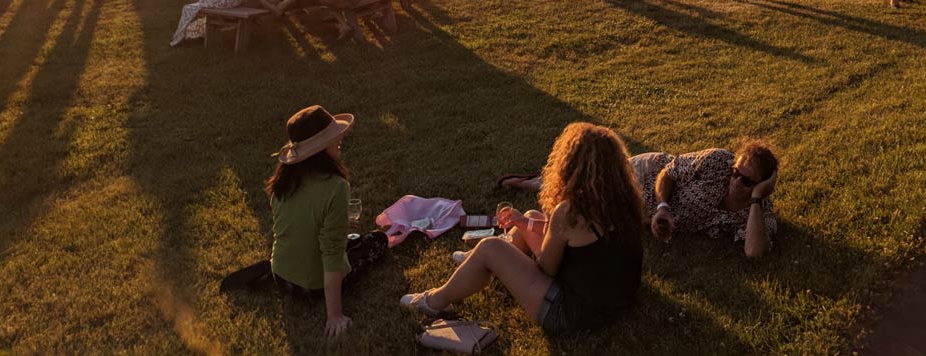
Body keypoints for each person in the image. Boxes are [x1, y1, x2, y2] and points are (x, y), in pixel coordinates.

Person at [401, 123, 644, 336]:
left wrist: (528, 232)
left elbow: (546, 268)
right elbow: (586, 249)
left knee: (490, 247)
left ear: (571, 165)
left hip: (571, 314)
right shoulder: (624, 202)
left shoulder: (570, 212)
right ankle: (474, 264)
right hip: (617, 298)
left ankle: (434, 301)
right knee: (532, 216)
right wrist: (527, 224)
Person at [500, 140, 778, 260]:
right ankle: (534, 180)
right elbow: (668, 173)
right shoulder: (717, 160)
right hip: (647, 174)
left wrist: (755, 199)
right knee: (572, 189)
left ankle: (516, 237)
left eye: (747, 180)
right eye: (734, 173)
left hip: (637, 210)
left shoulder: (758, 214)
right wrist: (663, 207)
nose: (735, 181)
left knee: (580, 210)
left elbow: (754, 253)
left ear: (763, 186)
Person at [266, 106, 356, 338]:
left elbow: (297, 224)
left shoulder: (282, 181)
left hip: (280, 274)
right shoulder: (337, 187)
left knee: (347, 239)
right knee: (375, 241)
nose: (339, 141)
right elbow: (332, 252)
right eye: (333, 138)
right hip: (314, 287)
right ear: (318, 148)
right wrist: (334, 315)